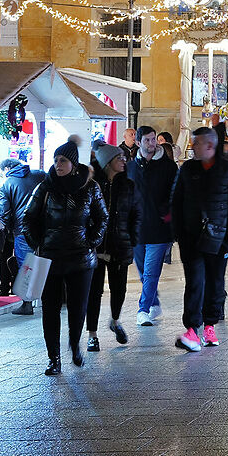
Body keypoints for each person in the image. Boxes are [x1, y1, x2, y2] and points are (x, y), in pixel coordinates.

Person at [21, 138, 104, 375]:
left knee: (78, 307)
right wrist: (38, 243)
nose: (58, 164)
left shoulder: (90, 187)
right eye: (56, 160)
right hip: (51, 257)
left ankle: (75, 345)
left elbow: (102, 217)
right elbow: (28, 218)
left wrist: (91, 241)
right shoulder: (45, 187)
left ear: (74, 164)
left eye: (63, 160)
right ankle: (53, 357)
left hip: (81, 258)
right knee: (50, 308)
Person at [170, 126, 228, 353]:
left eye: (196, 144)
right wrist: (179, 234)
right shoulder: (188, 169)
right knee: (194, 282)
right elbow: (176, 201)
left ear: (210, 145)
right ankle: (192, 329)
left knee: (215, 282)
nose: (192, 148)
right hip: (191, 238)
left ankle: (210, 326)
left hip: (218, 238)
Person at [84, 144, 137, 350]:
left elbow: (135, 214)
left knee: (119, 289)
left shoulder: (128, 185)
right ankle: (92, 334)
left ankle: (115, 321)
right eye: (119, 158)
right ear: (107, 162)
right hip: (95, 247)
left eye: (124, 157)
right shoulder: (91, 185)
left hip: (119, 244)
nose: (124, 161)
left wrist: (132, 238)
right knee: (94, 291)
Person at [130, 126, 177, 326]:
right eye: (148, 140)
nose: (152, 144)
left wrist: (168, 214)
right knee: (142, 271)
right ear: (138, 143)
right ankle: (153, 301)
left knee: (151, 272)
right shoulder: (131, 168)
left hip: (159, 229)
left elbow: (176, 194)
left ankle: (143, 309)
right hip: (137, 230)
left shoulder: (168, 167)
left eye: (153, 140)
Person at [0, 157, 41, 315]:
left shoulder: (7, 183)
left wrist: (9, 227)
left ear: (7, 169)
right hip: (45, 228)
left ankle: (27, 303)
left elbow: (4, 211)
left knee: (26, 266)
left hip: (22, 230)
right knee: (42, 263)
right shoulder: (40, 175)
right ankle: (47, 300)